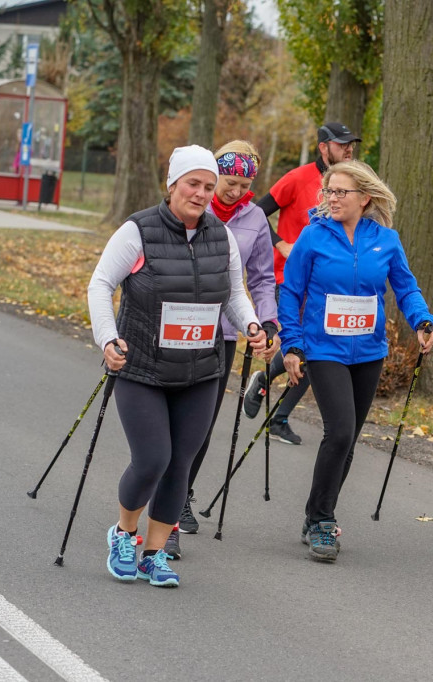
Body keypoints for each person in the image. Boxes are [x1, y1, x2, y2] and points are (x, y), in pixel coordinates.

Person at [88, 145, 268, 587]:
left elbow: (233, 290)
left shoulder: (220, 235)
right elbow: (101, 285)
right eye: (194, 184)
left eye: (209, 186)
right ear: (172, 185)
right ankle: (124, 534)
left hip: (199, 370)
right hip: (142, 367)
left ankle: (153, 552)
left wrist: (250, 323)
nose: (202, 193)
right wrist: (107, 338)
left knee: (180, 464)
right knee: (152, 459)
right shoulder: (138, 231)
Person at [278, 160, 433, 562]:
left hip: (368, 352)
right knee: (341, 430)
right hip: (323, 348)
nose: (332, 198)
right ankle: (323, 521)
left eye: (340, 192)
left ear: (364, 197)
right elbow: (290, 293)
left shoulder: (386, 239)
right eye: (328, 191)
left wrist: (422, 319)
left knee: (347, 438)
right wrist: (292, 344)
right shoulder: (313, 238)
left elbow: (405, 287)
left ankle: (316, 511)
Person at [171, 140, 280, 549]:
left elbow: (262, 278)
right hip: (177, 328)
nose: (235, 191)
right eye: (229, 182)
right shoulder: (194, 207)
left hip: (224, 334)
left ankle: (181, 494)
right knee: (171, 419)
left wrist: (268, 320)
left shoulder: (254, 220)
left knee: (200, 424)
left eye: (244, 184)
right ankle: (164, 486)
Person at [242, 122, 362, 446]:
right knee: (308, 349)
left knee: (316, 353)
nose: (348, 149)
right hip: (290, 278)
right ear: (324, 147)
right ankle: (274, 403)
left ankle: (277, 412)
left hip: (327, 285)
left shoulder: (351, 185)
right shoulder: (297, 178)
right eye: (342, 144)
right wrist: (280, 244)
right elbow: (256, 213)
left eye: (351, 144)